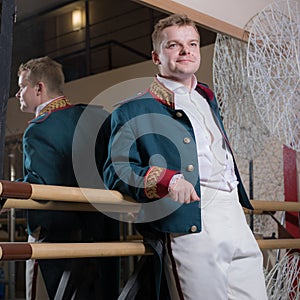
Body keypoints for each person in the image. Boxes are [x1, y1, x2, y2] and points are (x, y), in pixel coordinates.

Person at [100, 14, 268, 299]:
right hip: (190, 219)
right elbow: (116, 171)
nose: (185, 51)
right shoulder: (131, 110)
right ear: (156, 56)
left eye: (192, 43)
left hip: (235, 215)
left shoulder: (208, 98)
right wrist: (168, 180)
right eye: (173, 45)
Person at [16, 56, 119, 300]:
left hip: (57, 239)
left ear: (39, 88)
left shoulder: (39, 128)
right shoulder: (99, 117)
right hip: (103, 235)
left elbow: (39, 188)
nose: (18, 93)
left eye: (21, 86)